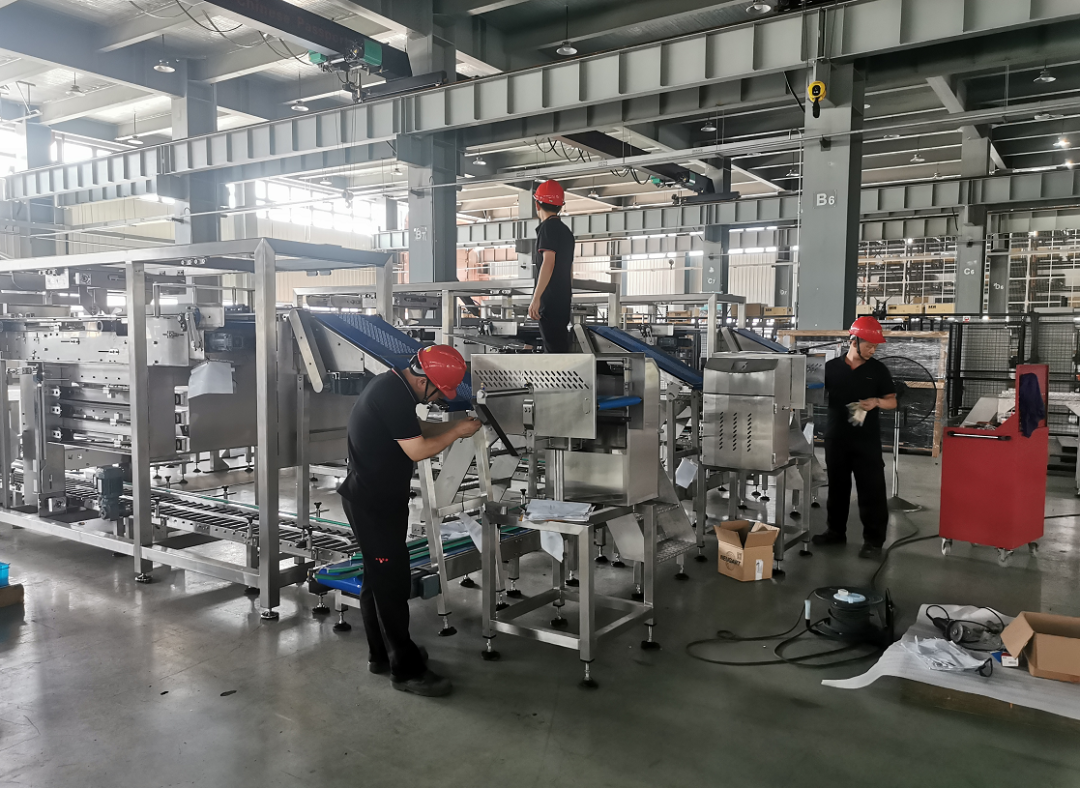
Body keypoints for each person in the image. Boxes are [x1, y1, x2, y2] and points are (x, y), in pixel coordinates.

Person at [338, 344, 481, 697]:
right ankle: (406, 671)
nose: (438, 398)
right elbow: (417, 450)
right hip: (374, 506)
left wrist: (455, 425)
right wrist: (456, 433)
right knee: (392, 585)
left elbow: (414, 431)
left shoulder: (392, 386)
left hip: (373, 499)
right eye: (439, 392)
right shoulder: (392, 395)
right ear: (424, 381)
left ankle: (381, 655)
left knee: (377, 580)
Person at [812, 316, 897, 560]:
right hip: (836, 437)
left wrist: (876, 402)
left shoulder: (878, 371)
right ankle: (835, 532)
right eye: (869, 345)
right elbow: (813, 393)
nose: (873, 350)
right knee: (837, 488)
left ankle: (873, 541)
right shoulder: (830, 368)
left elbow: (892, 401)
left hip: (866, 441)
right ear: (854, 341)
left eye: (876, 346)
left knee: (871, 490)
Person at [527, 179, 575, 353]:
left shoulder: (548, 228)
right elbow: (569, 269)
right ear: (560, 206)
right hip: (562, 300)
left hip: (550, 301)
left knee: (554, 352)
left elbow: (548, 262)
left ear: (537, 204)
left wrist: (536, 298)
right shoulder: (566, 232)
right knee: (559, 348)